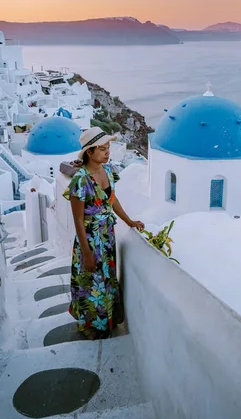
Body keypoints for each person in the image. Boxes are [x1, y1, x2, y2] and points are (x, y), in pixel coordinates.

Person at [63, 127, 144, 339]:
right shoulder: (80, 180)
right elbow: (78, 220)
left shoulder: (108, 172)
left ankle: (105, 321)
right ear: (89, 152)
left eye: (108, 148)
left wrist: (129, 221)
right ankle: (90, 325)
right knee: (90, 283)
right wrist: (87, 253)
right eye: (102, 149)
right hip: (89, 239)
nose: (107, 153)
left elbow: (112, 200)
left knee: (106, 281)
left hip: (107, 236)